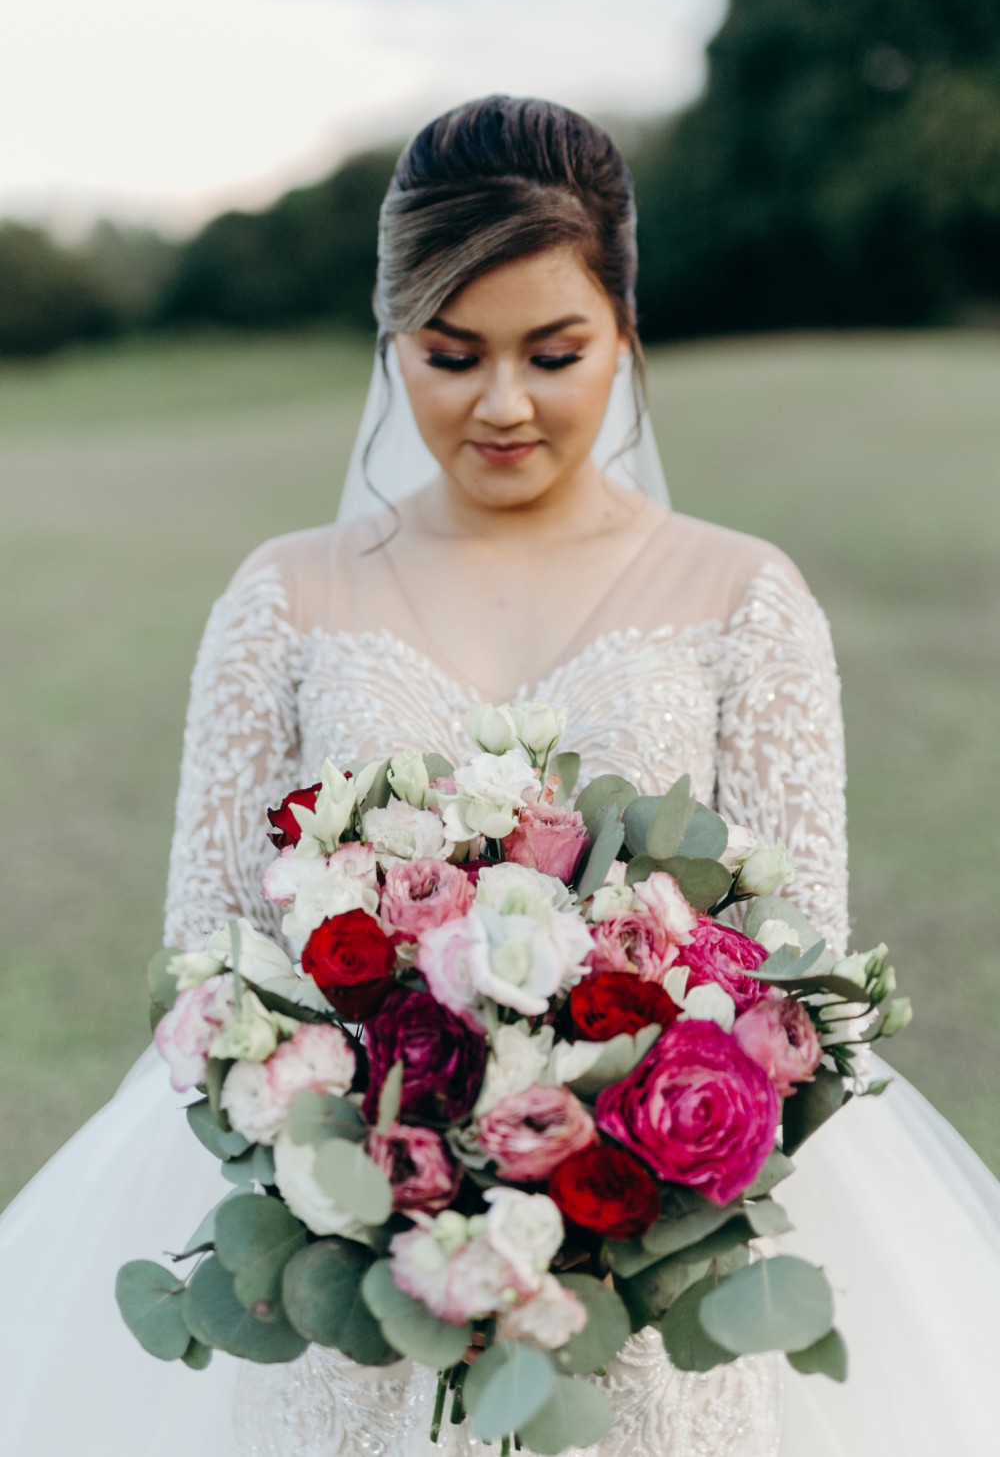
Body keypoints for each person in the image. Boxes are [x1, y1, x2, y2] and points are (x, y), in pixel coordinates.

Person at [1, 94, 998, 1457]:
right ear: (390, 338)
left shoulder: (743, 596)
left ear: (626, 329)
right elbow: (206, 966)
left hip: (640, 1294)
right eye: (451, 353)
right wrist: (381, 1161)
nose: (504, 403)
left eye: (556, 350)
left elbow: (799, 987)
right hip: (346, 1287)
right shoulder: (284, 598)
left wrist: (604, 1171)